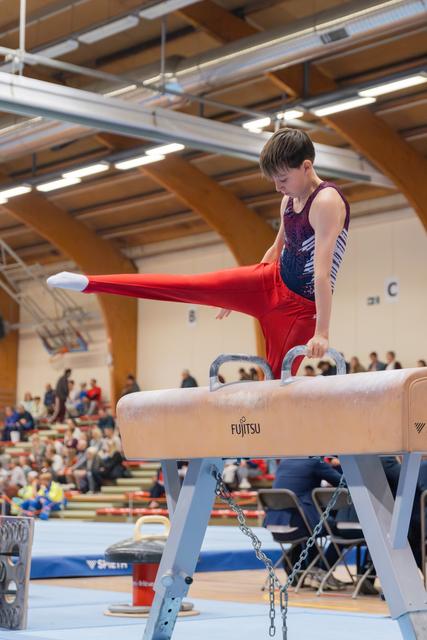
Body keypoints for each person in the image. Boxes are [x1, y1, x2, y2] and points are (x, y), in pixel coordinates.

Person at [47, 128, 350, 377]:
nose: (278, 188)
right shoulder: (289, 200)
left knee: (275, 382)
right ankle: (91, 283)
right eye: (274, 181)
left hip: (300, 309)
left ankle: (273, 449)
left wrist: (322, 333)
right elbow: (275, 249)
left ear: (306, 166)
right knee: (190, 286)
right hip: (270, 280)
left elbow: (322, 275)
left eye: (282, 179)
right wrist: (242, 291)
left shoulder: (326, 203)